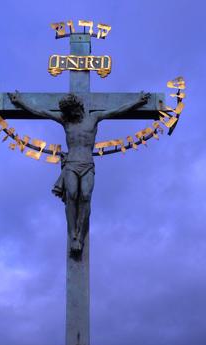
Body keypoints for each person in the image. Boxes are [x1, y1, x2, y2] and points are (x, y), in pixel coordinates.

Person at [8, 91, 150, 256]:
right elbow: (41, 111)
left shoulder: (94, 118)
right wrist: (21, 102)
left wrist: (137, 102)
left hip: (87, 164)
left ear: (79, 107)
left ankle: (80, 235)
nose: (70, 114)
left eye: (72, 110)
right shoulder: (66, 121)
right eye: (67, 112)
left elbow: (117, 110)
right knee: (72, 195)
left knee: (86, 196)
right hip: (71, 164)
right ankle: (73, 235)